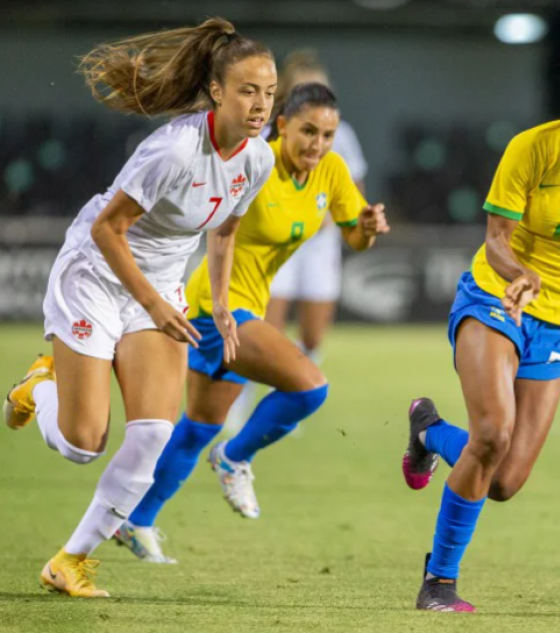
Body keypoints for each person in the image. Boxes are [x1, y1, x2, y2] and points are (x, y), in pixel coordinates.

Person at [2, 18, 276, 597]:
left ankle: (70, 561)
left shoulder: (258, 159)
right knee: (82, 444)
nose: (261, 104)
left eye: (270, 92)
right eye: (249, 90)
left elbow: (225, 231)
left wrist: (222, 303)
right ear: (218, 91)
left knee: (153, 432)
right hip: (97, 274)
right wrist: (153, 303)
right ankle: (36, 388)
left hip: (159, 287)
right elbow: (108, 229)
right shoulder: (174, 148)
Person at [399, 37, 560, 612]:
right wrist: (519, 274)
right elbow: (496, 239)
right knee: (491, 434)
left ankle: (428, 432)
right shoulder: (532, 150)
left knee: (504, 482)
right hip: (497, 299)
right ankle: (439, 583)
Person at [111, 81, 388, 564]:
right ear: (282, 126)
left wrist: (366, 231)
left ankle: (136, 520)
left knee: (198, 426)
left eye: (327, 135)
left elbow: (354, 239)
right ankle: (236, 457)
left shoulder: (331, 171)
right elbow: (217, 228)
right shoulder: (254, 163)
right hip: (214, 307)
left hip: (245, 310)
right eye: (307, 132)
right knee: (310, 387)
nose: (317, 145)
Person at [224, 49, 369, 432]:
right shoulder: (273, 135)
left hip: (319, 247)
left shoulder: (343, 135)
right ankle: (244, 403)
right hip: (275, 244)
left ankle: (296, 397)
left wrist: (352, 218)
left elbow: (354, 186)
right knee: (264, 329)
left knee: (313, 332)